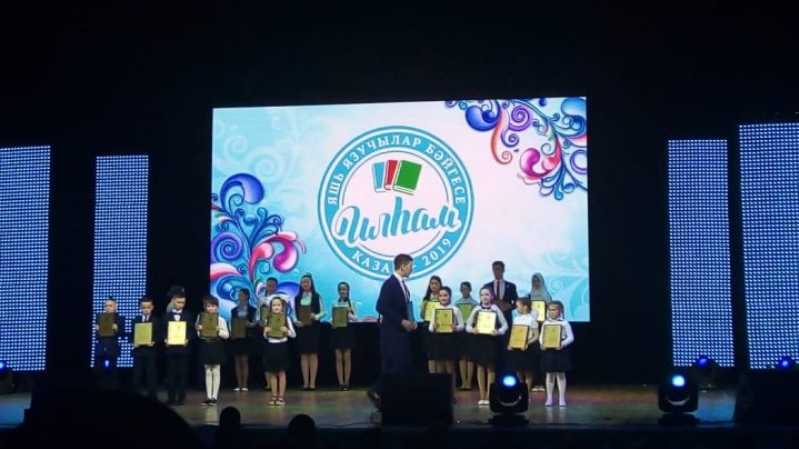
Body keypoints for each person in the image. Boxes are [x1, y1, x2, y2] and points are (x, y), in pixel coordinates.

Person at [366, 253, 417, 410]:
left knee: (403, 365)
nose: (412, 269)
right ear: (403, 266)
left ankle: (395, 398)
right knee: (394, 366)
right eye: (410, 266)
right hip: (392, 333)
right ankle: (377, 390)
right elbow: (381, 306)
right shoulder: (390, 284)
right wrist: (401, 321)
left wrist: (411, 321)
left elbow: (403, 307)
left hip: (401, 333)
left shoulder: (402, 285)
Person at [465, 287, 508, 406]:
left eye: (487, 294)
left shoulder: (495, 309)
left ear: (491, 296)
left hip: (491, 341)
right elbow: (468, 325)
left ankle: (490, 395)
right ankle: (482, 395)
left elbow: (505, 324)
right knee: (480, 367)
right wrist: (472, 330)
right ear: (480, 297)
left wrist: (498, 331)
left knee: (490, 368)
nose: (485, 297)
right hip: (479, 341)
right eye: (483, 295)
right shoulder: (476, 309)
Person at [427, 286, 465, 399]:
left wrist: (456, 327)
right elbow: (430, 327)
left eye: (445, 295)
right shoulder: (435, 309)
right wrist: (433, 327)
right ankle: (441, 394)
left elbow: (462, 325)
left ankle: (451, 395)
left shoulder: (455, 309)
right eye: (441, 296)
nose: (443, 298)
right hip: (438, 340)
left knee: (450, 368)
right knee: (439, 368)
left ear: (449, 296)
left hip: (450, 340)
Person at [293, 273, 326, 390]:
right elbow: (294, 313)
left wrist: (316, 316)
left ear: (311, 283)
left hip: (313, 328)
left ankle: (312, 383)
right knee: (303, 355)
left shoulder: (316, 296)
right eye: (303, 282)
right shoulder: (297, 297)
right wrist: (296, 321)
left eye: (307, 282)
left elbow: (323, 312)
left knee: (313, 354)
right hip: (302, 328)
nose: (305, 284)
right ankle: (305, 382)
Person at [196, 296, 230, 406]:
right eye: (208, 306)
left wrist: (219, 331)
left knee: (216, 370)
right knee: (207, 371)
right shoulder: (201, 317)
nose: (210, 308)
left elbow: (227, 335)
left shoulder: (221, 320)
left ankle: (214, 397)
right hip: (206, 344)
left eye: (213, 306)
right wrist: (199, 330)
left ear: (217, 307)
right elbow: (199, 334)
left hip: (216, 345)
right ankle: (208, 397)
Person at [262, 295, 296, 406]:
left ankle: (281, 397)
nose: (276, 307)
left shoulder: (286, 318)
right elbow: (265, 337)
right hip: (271, 347)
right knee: (272, 372)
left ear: (282, 306)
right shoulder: (268, 319)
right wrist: (266, 332)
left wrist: (287, 331)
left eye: (278, 305)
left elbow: (293, 335)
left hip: (282, 347)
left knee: (281, 372)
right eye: (274, 305)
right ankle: (274, 396)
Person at [540, 300, 574, 407]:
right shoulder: (546, 323)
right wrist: (542, 344)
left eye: (554, 310)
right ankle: (549, 398)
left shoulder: (564, 323)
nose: (551, 312)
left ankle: (561, 398)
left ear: (560, 310)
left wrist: (562, 344)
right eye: (549, 310)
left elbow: (571, 337)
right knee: (549, 374)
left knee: (560, 374)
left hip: (560, 350)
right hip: (549, 350)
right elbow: (541, 336)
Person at [164, 290, 193, 406]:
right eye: (178, 302)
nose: (180, 304)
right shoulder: (167, 316)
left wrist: (188, 339)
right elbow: (162, 331)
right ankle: (171, 397)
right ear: (173, 302)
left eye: (183, 303)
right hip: (171, 350)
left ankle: (181, 398)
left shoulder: (188, 315)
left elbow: (191, 331)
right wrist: (165, 339)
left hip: (183, 350)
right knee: (171, 375)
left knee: (182, 375)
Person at [506, 298, 540, 392]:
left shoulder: (532, 320)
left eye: (518, 306)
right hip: (517, 348)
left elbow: (536, 336)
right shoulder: (516, 319)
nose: (517, 308)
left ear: (525, 307)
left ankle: (526, 394)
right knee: (518, 371)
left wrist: (527, 343)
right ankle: (521, 391)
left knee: (528, 372)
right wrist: (511, 344)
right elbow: (514, 333)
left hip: (527, 349)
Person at [331, 281, 358, 391]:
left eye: (344, 289)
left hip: (347, 330)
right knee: (338, 357)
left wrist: (349, 313)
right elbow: (331, 318)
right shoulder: (334, 303)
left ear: (348, 290)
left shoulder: (352, 303)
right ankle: (340, 382)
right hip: (337, 331)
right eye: (340, 289)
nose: (342, 291)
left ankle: (347, 382)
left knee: (347, 357)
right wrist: (332, 322)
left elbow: (356, 318)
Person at [131, 296, 159, 399]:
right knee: (136, 376)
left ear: (152, 307)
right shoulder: (136, 320)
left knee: (151, 376)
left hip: (150, 352)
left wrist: (154, 341)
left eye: (148, 307)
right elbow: (131, 335)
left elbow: (159, 334)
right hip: (138, 352)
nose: (146, 310)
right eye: (144, 307)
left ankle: (152, 396)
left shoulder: (155, 320)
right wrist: (133, 342)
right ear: (140, 308)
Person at [527, 272, 551, 392]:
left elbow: (550, 311)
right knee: (533, 356)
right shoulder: (529, 296)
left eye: (538, 281)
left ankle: (543, 383)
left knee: (543, 355)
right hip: (532, 327)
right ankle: (535, 383)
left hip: (543, 326)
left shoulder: (547, 296)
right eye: (534, 281)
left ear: (541, 282)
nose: (536, 283)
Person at [230, 288, 257, 392]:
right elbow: (232, 323)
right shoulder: (234, 310)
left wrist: (248, 324)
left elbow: (254, 323)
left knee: (244, 361)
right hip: (236, 337)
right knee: (237, 361)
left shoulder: (252, 310)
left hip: (246, 337)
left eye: (241, 295)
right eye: (239, 295)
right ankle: (239, 384)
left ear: (247, 296)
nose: (239, 296)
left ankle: (245, 384)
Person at [94, 296, 124, 390]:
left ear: (115, 307)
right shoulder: (99, 317)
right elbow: (97, 335)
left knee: (113, 373)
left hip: (112, 349)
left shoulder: (119, 318)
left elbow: (122, 334)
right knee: (99, 373)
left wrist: (117, 329)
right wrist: (97, 330)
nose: (108, 308)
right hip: (101, 349)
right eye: (106, 306)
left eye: (110, 306)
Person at [256, 277, 279, 390]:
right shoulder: (261, 298)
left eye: (273, 285)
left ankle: (277, 382)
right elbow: (258, 314)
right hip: (265, 330)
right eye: (269, 285)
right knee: (266, 357)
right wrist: (259, 321)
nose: (271, 287)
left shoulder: (280, 299)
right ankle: (268, 383)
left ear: (276, 286)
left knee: (276, 357)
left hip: (277, 331)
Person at [455, 281, 478, 390]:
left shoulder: (475, 304)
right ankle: (463, 381)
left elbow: (477, 320)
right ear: (460, 290)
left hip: (470, 332)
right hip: (460, 332)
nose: (464, 291)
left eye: (466, 289)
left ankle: (469, 382)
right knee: (462, 357)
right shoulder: (457, 303)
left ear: (470, 290)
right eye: (462, 289)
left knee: (470, 357)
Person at [420, 275, 442, 374]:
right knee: (430, 355)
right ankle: (433, 377)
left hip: (440, 328)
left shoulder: (443, 297)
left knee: (439, 355)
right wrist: (423, 307)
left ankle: (440, 378)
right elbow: (422, 316)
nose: (433, 285)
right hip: (428, 328)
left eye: (436, 283)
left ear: (440, 285)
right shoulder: (426, 299)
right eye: (431, 283)